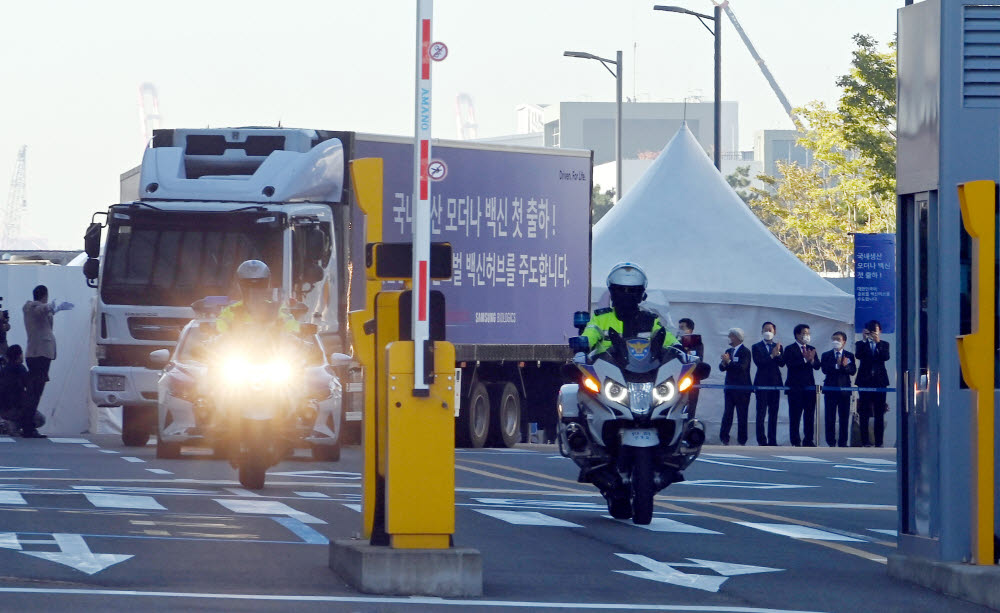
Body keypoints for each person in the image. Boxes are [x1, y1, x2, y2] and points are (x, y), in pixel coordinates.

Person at [582, 262, 679, 357]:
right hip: (605, 370)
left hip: (646, 370)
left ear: (641, 294)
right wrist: (583, 343)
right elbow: (590, 334)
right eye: (620, 290)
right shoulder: (601, 318)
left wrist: (677, 346)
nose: (626, 295)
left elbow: (666, 337)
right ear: (612, 292)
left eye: (632, 291)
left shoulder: (650, 320)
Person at [22, 285, 74, 434]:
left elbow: (44, 314)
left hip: (37, 353)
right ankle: (28, 425)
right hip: (40, 354)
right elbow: (40, 309)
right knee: (35, 391)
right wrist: (50, 306)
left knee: (35, 390)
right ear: (45, 296)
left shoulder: (36, 310)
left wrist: (55, 310)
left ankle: (28, 423)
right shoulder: (31, 306)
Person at [216, 260, 300, 335]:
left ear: (267, 284)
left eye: (260, 284)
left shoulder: (277, 310)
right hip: (238, 351)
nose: (253, 289)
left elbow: (294, 331)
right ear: (239, 285)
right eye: (247, 284)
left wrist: (302, 331)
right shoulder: (230, 312)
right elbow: (218, 335)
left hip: (274, 351)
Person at [782, 324, 820, 447]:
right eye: (804, 333)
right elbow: (790, 365)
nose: (807, 335)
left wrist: (812, 360)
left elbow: (817, 366)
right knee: (795, 416)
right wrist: (805, 360)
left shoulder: (812, 348)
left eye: (808, 333)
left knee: (809, 415)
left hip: (809, 387)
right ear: (797, 334)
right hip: (795, 387)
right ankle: (795, 440)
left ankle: (808, 440)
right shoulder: (790, 349)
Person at [855, 319, 890, 447]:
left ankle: (879, 442)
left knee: (879, 413)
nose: (873, 333)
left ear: (879, 331)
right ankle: (865, 441)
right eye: (871, 331)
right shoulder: (861, 344)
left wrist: (878, 343)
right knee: (864, 412)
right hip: (865, 381)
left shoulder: (884, 344)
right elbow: (859, 356)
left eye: (875, 330)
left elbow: (885, 357)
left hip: (880, 381)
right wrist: (865, 340)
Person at [821, 331, 856, 447]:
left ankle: (843, 442)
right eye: (834, 339)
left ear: (844, 342)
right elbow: (825, 369)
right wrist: (836, 365)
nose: (835, 341)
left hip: (844, 390)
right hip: (830, 389)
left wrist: (844, 366)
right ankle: (830, 441)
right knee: (830, 417)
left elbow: (852, 371)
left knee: (844, 417)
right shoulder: (826, 355)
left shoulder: (849, 355)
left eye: (838, 339)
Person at [751, 322, 784, 446]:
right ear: (761, 331)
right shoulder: (756, 347)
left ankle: (772, 440)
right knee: (761, 412)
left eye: (770, 330)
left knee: (774, 413)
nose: (768, 332)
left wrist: (778, 354)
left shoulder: (778, 346)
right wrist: (771, 355)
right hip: (762, 382)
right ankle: (761, 440)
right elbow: (759, 362)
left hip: (775, 382)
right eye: (765, 330)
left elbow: (782, 363)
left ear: (774, 332)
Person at [718, 328, 751, 446]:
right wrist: (724, 362)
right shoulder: (729, 351)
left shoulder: (745, 352)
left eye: (731, 336)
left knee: (742, 414)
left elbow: (742, 367)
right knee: (728, 413)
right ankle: (724, 437)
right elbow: (722, 368)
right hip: (730, 387)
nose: (729, 338)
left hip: (742, 388)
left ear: (737, 337)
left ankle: (742, 439)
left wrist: (729, 363)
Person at [0, 345, 36, 437]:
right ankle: (12, 425)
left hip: (4, 408)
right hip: (17, 406)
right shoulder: (21, 369)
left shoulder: (3, 370)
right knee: (40, 419)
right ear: (19, 355)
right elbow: (28, 385)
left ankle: (9, 424)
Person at [677, 318, 704, 418]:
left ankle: (689, 427)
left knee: (690, 407)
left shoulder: (697, 344)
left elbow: (699, 360)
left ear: (690, 330)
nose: (680, 330)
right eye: (679, 327)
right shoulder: (676, 343)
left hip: (692, 381)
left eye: (682, 327)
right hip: (677, 380)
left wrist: (688, 352)